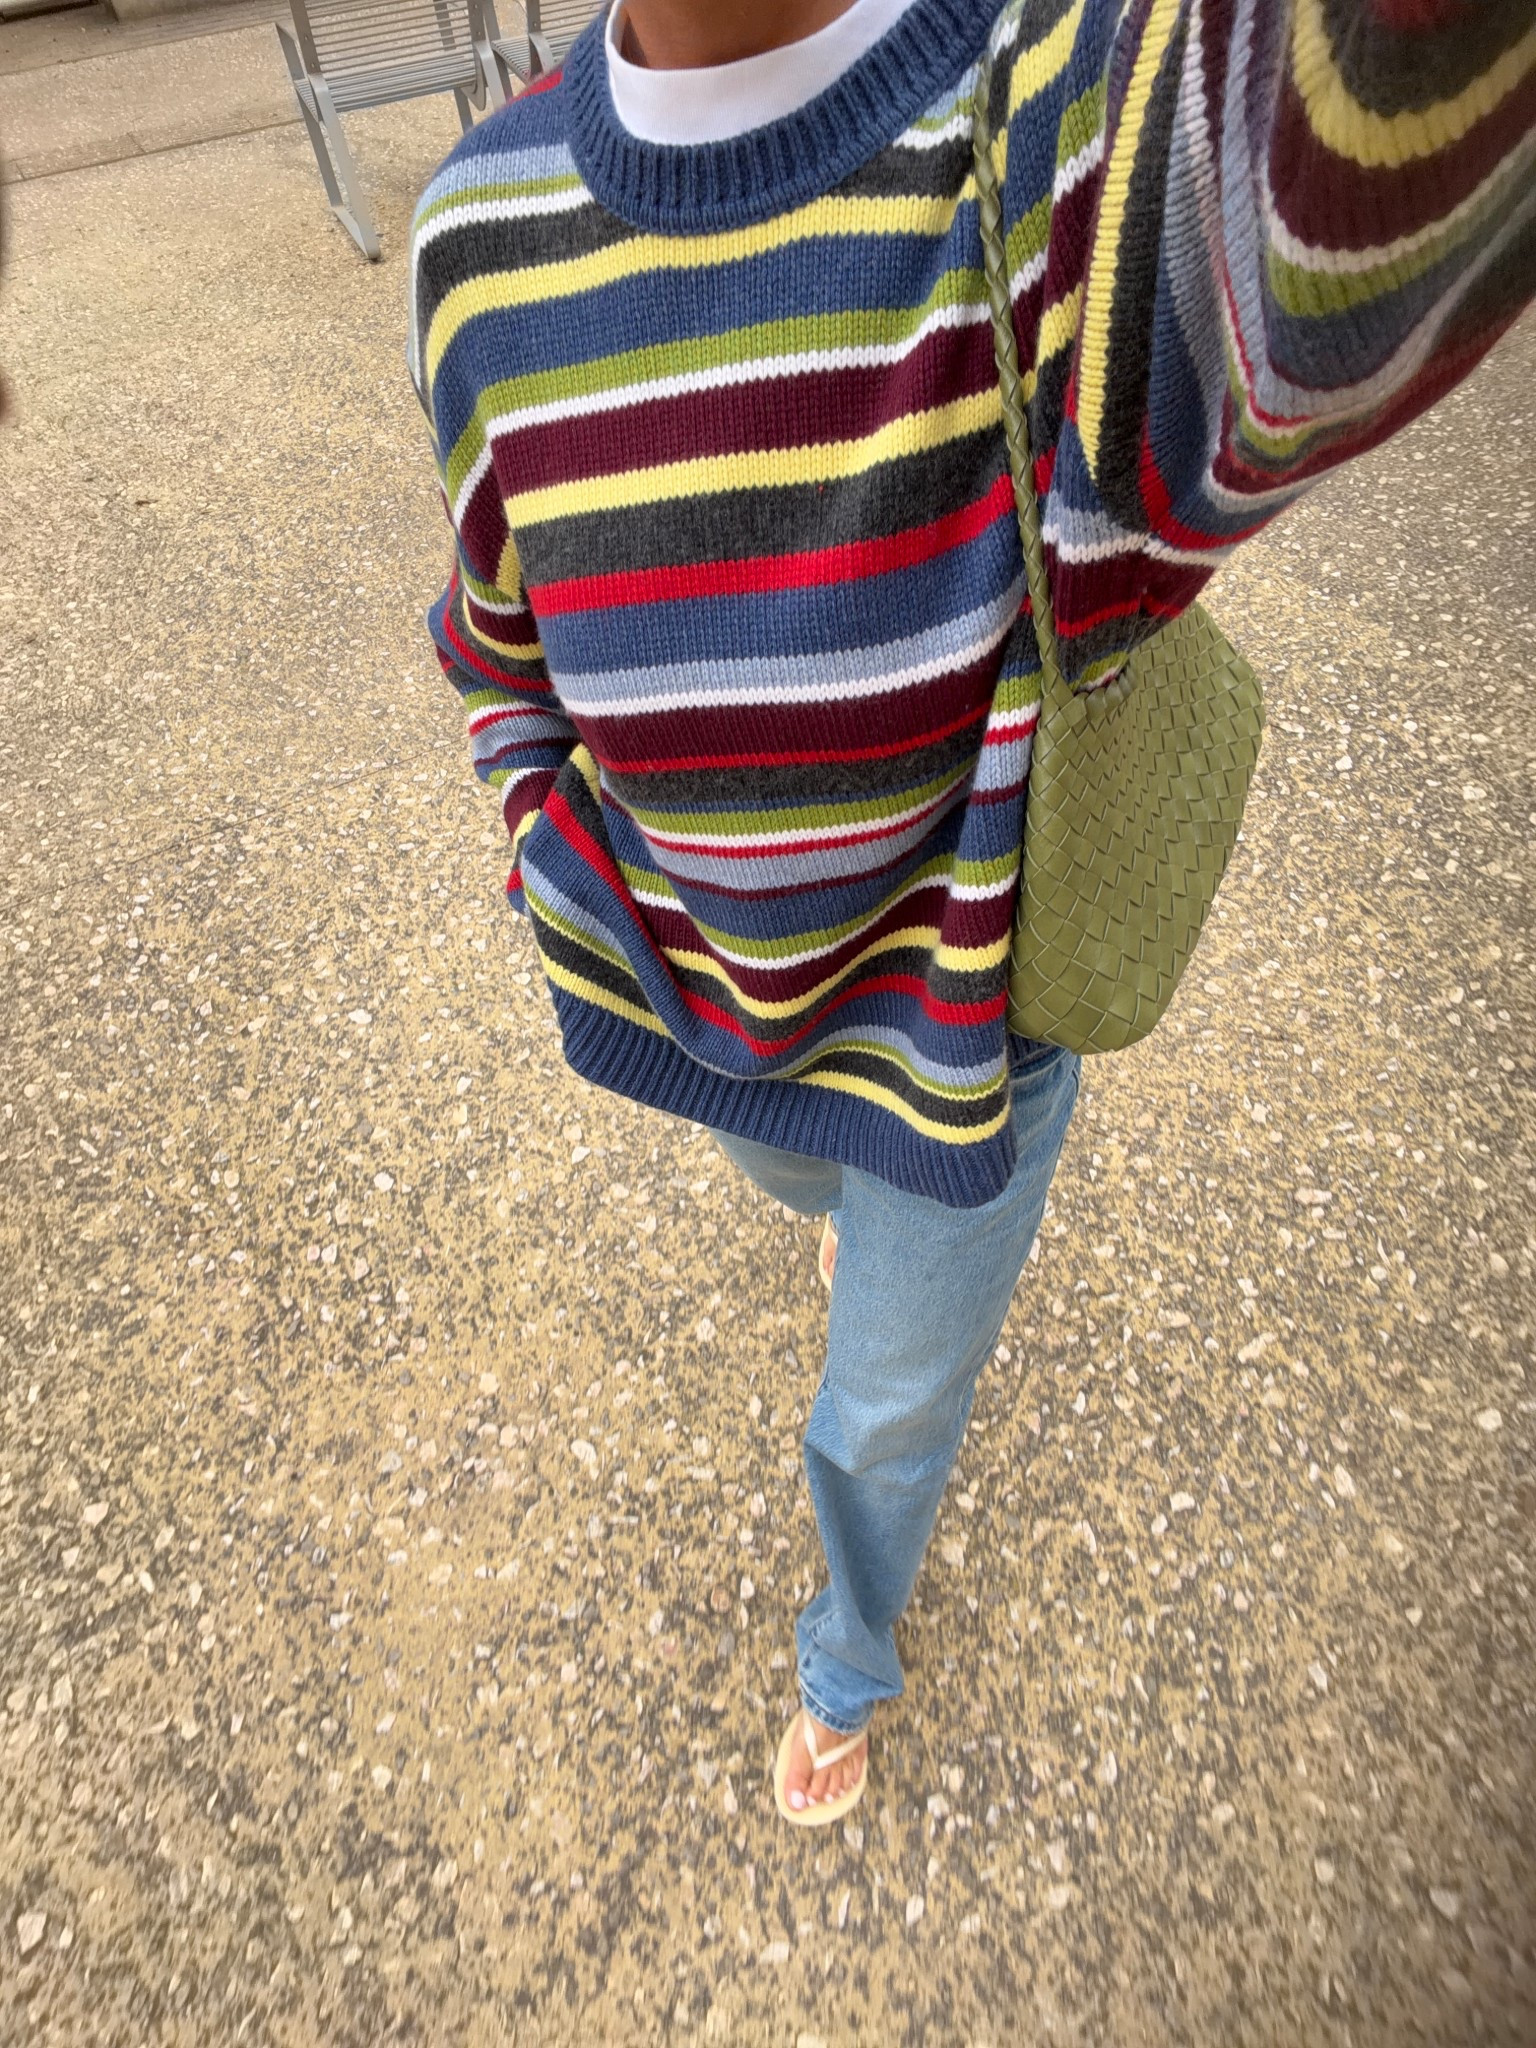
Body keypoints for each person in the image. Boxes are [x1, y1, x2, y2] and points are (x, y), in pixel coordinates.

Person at [409, 0, 1536, 1826]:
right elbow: (491, 630)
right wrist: (544, 835)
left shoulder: (1063, 115)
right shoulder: (475, 235)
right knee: (797, 1182)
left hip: (962, 1054)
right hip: (710, 1022)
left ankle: (846, 1658)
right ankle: (840, 1218)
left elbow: (1342, 145)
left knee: (878, 1417)